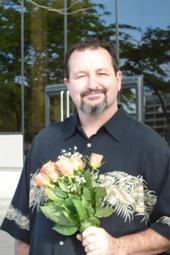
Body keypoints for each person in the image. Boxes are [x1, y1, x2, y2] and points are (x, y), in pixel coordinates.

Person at [1, 39, 170, 255]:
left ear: (118, 80)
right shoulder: (44, 142)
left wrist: (119, 247)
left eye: (101, 73)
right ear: (68, 84)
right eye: (81, 75)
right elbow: (24, 235)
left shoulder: (151, 147)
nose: (92, 84)